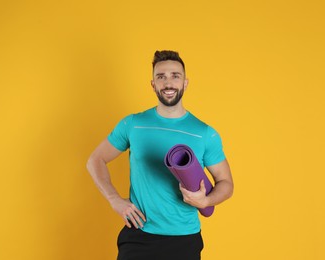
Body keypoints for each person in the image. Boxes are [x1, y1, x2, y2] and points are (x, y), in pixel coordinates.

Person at [86, 50, 234, 260]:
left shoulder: (204, 133)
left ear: (185, 83)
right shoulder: (133, 124)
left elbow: (226, 182)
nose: (168, 83)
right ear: (153, 84)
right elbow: (95, 160)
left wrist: (205, 201)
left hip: (184, 239)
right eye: (161, 77)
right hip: (139, 235)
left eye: (175, 76)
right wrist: (114, 199)